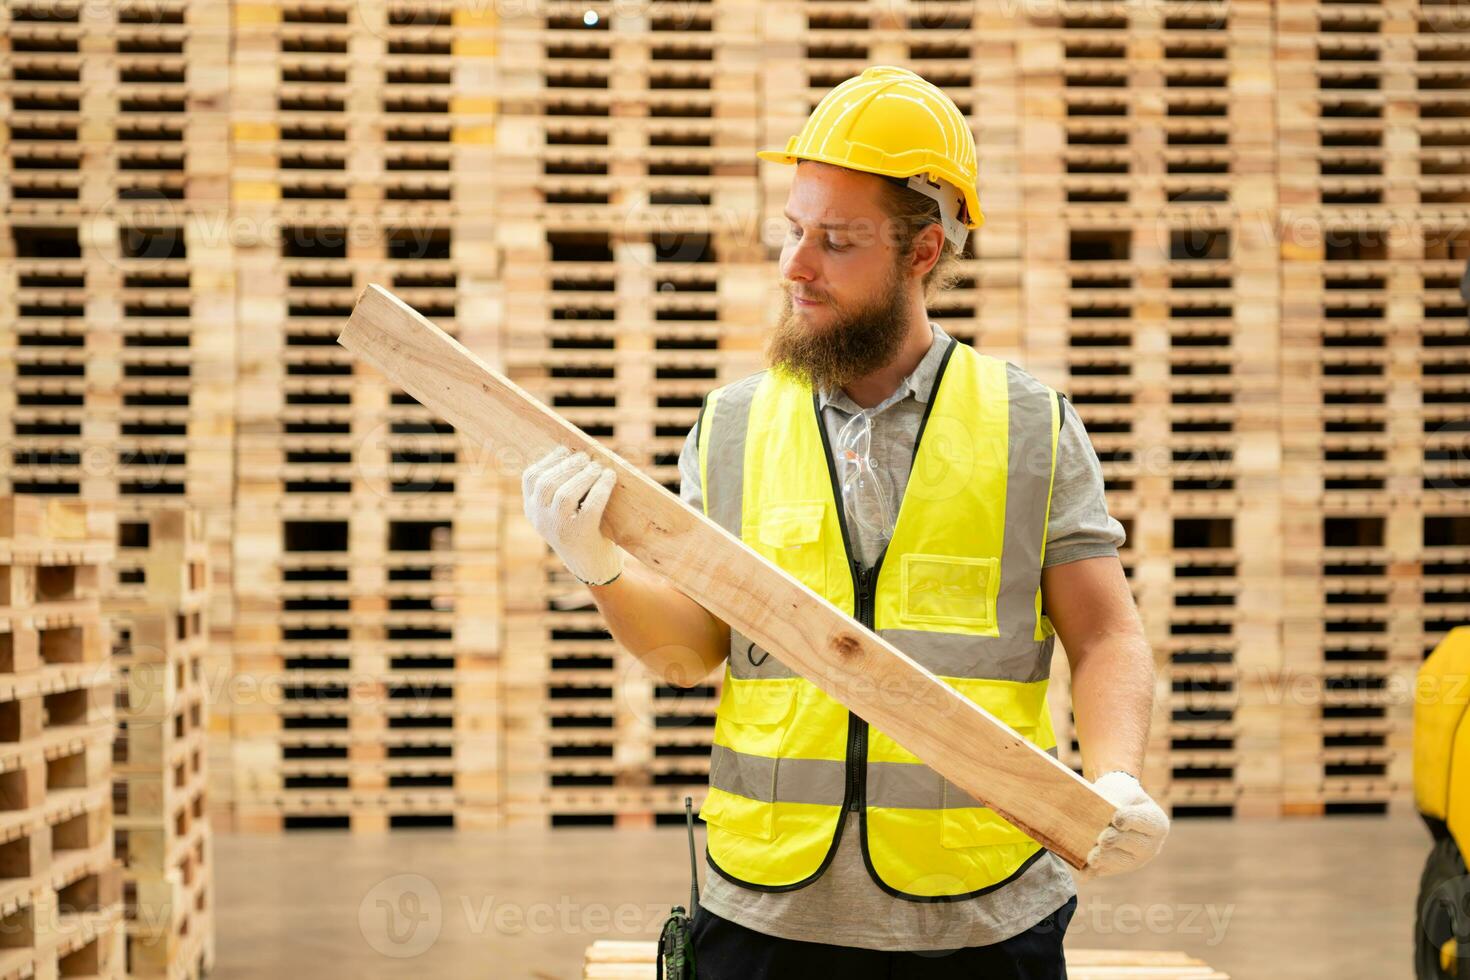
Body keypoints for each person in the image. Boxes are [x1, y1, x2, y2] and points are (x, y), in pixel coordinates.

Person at [522, 66, 1168, 978]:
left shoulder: (1032, 426)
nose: (796, 264)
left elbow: (1105, 636)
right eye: (793, 230)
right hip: (766, 915)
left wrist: (1115, 781)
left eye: (836, 240)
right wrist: (599, 569)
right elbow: (692, 653)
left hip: (982, 917)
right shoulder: (733, 428)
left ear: (923, 251)